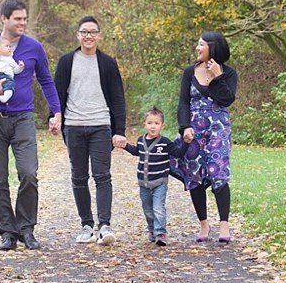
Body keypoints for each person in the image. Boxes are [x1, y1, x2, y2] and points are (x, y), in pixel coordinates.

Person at [0, 0, 62, 251]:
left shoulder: (33, 47)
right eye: (18, 18)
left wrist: (56, 111)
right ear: (4, 19)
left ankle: (26, 229)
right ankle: (7, 232)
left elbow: (46, 81)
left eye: (25, 19)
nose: (23, 23)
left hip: (23, 118)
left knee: (29, 173)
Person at [52, 16, 127, 245]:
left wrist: (120, 129)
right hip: (73, 126)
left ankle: (104, 226)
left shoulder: (107, 63)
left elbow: (117, 97)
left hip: (101, 126)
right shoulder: (66, 61)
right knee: (79, 177)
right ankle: (86, 225)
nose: (88, 36)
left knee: (103, 176)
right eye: (84, 32)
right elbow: (56, 94)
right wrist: (54, 118)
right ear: (77, 35)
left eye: (93, 32)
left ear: (99, 35)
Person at [172, 31, 238, 243]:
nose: (198, 48)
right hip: (194, 130)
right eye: (198, 44)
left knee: (219, 173)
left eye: (201, 45)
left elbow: (227, 99)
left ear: (213, 47)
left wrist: (218, 77)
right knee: (194, 175)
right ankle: (203, 224)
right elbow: (183, 102)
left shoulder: (228, 73)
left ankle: (224, 225)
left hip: (218, 130)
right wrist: (184, 127)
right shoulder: (189, 72)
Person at [121, 107, 193, 246]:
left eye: (156, 123)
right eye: (150, 123)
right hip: (144, 182)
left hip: (160, 182)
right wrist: (125, 146)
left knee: (158, 207)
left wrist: (186, 143)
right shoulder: (141, 140)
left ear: (162, 126)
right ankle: (152, 230)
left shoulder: (165, 142)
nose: (153, 126)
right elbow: (136, 152)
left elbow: (178, 153)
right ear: (145, 124)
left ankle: (160, 233)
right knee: (147, 209)